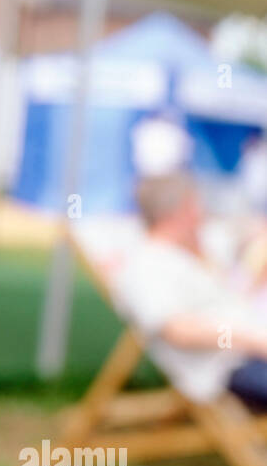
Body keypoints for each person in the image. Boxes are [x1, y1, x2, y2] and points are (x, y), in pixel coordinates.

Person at [112, 172, 267, 411]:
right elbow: (177, 330)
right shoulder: (147, 266)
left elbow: (246, 237)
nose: (202, 215)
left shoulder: (189, 250)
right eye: (196, 206)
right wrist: (256, 341)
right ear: (181, 210)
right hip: (232, 366)